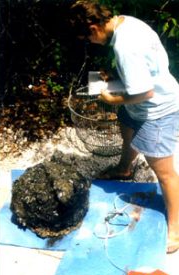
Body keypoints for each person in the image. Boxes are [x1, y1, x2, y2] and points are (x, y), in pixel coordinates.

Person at [69, 0, 179, 253]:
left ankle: (176, 226)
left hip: (157, 110)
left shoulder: (124, 47)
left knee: (164, 172)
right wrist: (117, 78)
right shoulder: (126, 22)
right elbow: (145, 68)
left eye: (87, 38)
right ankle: (124, 169)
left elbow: (144, 92)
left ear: (93, 27)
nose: (90, 43)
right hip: (142, 105)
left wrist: (111, 98)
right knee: (127, 127)